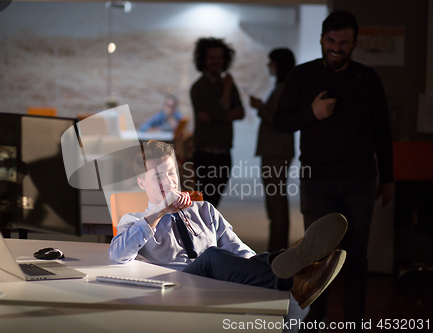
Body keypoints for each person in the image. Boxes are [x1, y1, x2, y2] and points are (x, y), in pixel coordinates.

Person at [109, 140, 348, 310]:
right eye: (158, 177)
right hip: (177, 284)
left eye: (171, 173)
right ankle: (295, 282)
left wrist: (259, 263)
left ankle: (294, 266)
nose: (169, 182)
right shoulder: (135, 221)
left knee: (248, 256)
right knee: (212, 256)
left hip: (218, 280)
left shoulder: (203, 209)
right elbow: (117, 254)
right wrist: (160, 210)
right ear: (141, 182)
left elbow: (237, 249)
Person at [274, 11, 394, 330]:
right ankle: (317, 315)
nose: (336, 47)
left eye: (344, 42)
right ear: (322, 40)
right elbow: (279, 122)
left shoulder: (367, 78)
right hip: (317, 181)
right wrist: (311, 113)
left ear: (354, 43)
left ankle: (355, 320)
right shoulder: (302, 76)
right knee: (318, 254)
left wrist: (389, 178)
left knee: (356, 254)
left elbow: (383, 131)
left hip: (361, 181)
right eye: (331, 41)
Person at [250, 48, 296, 252]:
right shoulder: (284, 87)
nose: (269, 66)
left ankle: (278, 251)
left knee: (276, 201)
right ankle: (277, 249)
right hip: (277, 150)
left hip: (276, 151)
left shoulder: (284, 88)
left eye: (272, 62)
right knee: (276, 199)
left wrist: (260, 107)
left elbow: (278, 122)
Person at [190, 37, 244, 208]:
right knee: (204, 203)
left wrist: (217, 116)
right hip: (205, 154)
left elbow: (241, 112)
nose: (216, 61)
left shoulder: (227, 83)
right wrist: (227, 91)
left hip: (224, 153)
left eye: (219, 57)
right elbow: (222, 112)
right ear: (203, 59)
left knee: (214, 203)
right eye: (211, 57)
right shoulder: (199, 86)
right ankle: (201, 235)